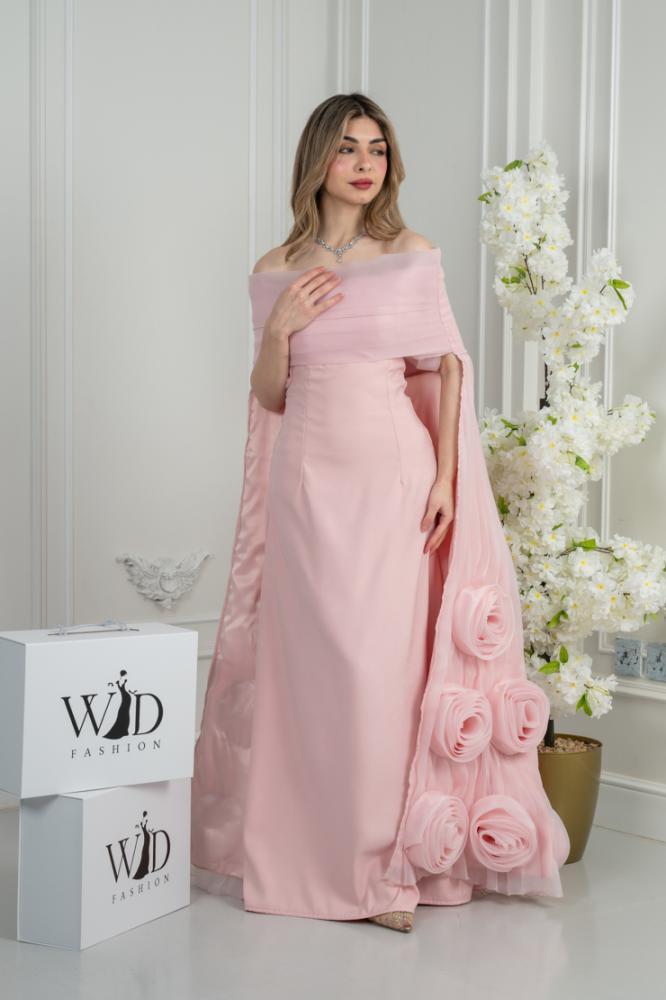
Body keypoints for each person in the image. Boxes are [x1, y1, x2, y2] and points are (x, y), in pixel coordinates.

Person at [190, 92, 570, 934]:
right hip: (303, 488)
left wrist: (447, 481)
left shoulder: (409, 253)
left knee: (379, 673)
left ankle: (381, 870)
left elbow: (447, 367)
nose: (366, 163)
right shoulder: (276, 266)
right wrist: (279, 331)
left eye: (378, 149)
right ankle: (310, 859)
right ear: (317, 159)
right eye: (348, 148)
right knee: (310, 677)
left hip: (395, 480)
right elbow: (269, 396)